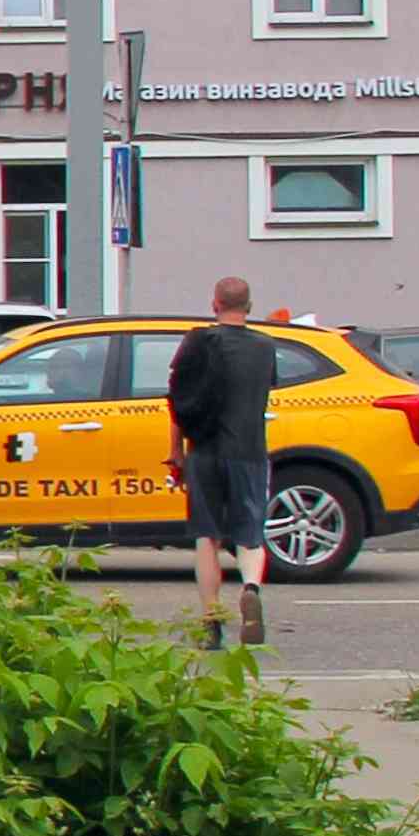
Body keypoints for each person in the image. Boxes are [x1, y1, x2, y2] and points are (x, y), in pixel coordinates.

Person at [167, 275, 276, 648]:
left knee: (207, 537)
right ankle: (251, 588)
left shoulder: (197, 344)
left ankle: (211, 622)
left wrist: (177, 451)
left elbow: (177, 402)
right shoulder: (265, 348)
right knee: (250, 533)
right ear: (249, 307)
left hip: (204, 451)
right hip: (249, 452)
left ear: (214, 304)